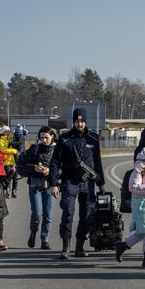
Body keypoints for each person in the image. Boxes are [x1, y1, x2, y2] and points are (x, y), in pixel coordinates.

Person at [49, 108, 106, 259]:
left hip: (88, 183)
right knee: (68, 213)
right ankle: (65, 247)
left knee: (87, 215)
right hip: (69, 182)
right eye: (77, 121)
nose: (80, 124)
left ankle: (79, 246)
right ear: (73, 121)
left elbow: (98, 162)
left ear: (86, 122)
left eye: (82, 121)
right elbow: (55, 162)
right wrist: (54, 183)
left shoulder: (93, 138)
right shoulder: (65, 138)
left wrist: (101, 183)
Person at [17, 126, 57, 250]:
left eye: (46, 137)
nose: (44, 140)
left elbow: (63, 169)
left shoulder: (57, 151)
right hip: (35, 185)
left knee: (48, 215)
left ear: (52, 137)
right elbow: (21, 166)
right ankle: (33, 232)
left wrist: (50, 171)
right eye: (41, 138)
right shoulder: (34, 149)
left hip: (50, 185)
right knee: (37, 214)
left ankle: (44, 239)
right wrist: (34, 168)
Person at [0, 125, 19, 198]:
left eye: (9, 131)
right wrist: (14, 151)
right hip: (6, 162)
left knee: (15, 177)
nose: (8, 132)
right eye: (7, 131)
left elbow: (20, 142)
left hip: (14, 161)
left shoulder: (11, 139)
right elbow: (3, 150)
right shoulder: (0, 140)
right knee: (8, 177)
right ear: (3, 132)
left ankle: (14, 191)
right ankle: (7, 190)